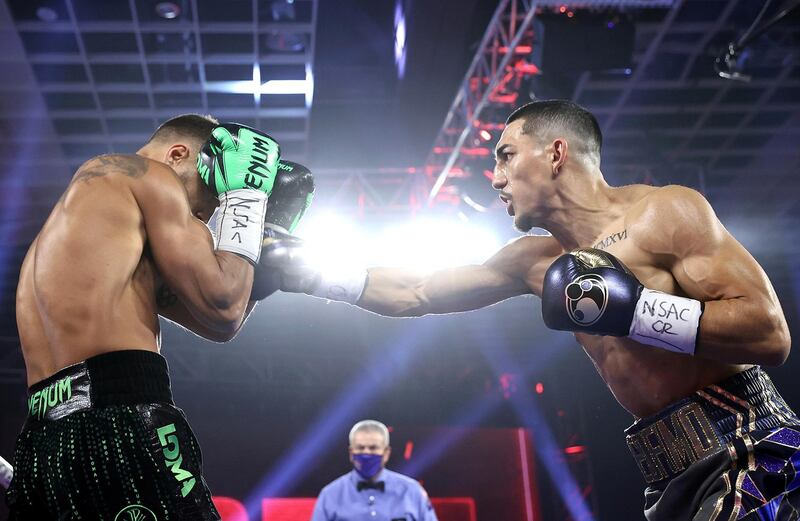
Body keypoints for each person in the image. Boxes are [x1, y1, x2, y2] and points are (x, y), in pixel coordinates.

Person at [266, 100, 797, 521]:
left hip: (745, 441)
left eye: (505, 155)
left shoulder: (666, 212)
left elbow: (770, 335)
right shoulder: (534, 262)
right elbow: (421, 289)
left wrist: (636, 310)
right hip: (669, 468)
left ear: (556, 154)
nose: (494, 178)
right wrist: (309, 271)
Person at [6, 115, 314, 519]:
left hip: (44, 445)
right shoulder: (147, 174)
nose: (200, 221)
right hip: (121, 423)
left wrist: (263, 235)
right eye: (200, 204)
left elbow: (223, 321)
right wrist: (247, 196)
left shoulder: (84, 236)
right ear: (178, 155)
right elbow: (222, 303)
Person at [311, 420, 438, 521]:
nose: (366, 453)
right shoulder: (330, 495)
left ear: (386, 453)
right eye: (360, 448)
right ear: (351, 453)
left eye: (373, 448)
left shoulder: (412, 491)